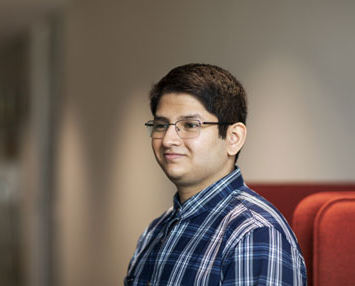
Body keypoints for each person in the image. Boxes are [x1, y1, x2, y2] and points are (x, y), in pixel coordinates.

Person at [125, 64, 307, 286]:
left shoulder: (255, 233)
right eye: (161, 125)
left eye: (190, 125)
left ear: (233, 138)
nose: (167, 140)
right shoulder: (155, 231)